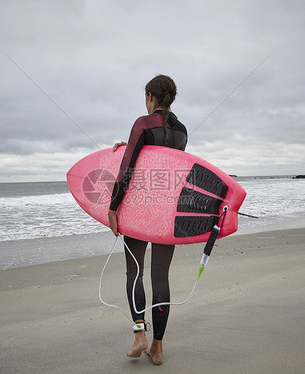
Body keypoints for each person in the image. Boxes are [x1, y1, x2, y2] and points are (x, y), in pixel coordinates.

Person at [108, 75, 187, 365]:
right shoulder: (183, 131)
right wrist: (130, 144)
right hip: (168, 212)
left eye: (146, 97)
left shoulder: (143, 124)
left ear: (151, 96)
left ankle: (139, 335)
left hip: (140, 210)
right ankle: (158, 347)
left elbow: (128, 170)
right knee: (161, 278)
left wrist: (113, 208)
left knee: (134, 272)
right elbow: (166, 167)